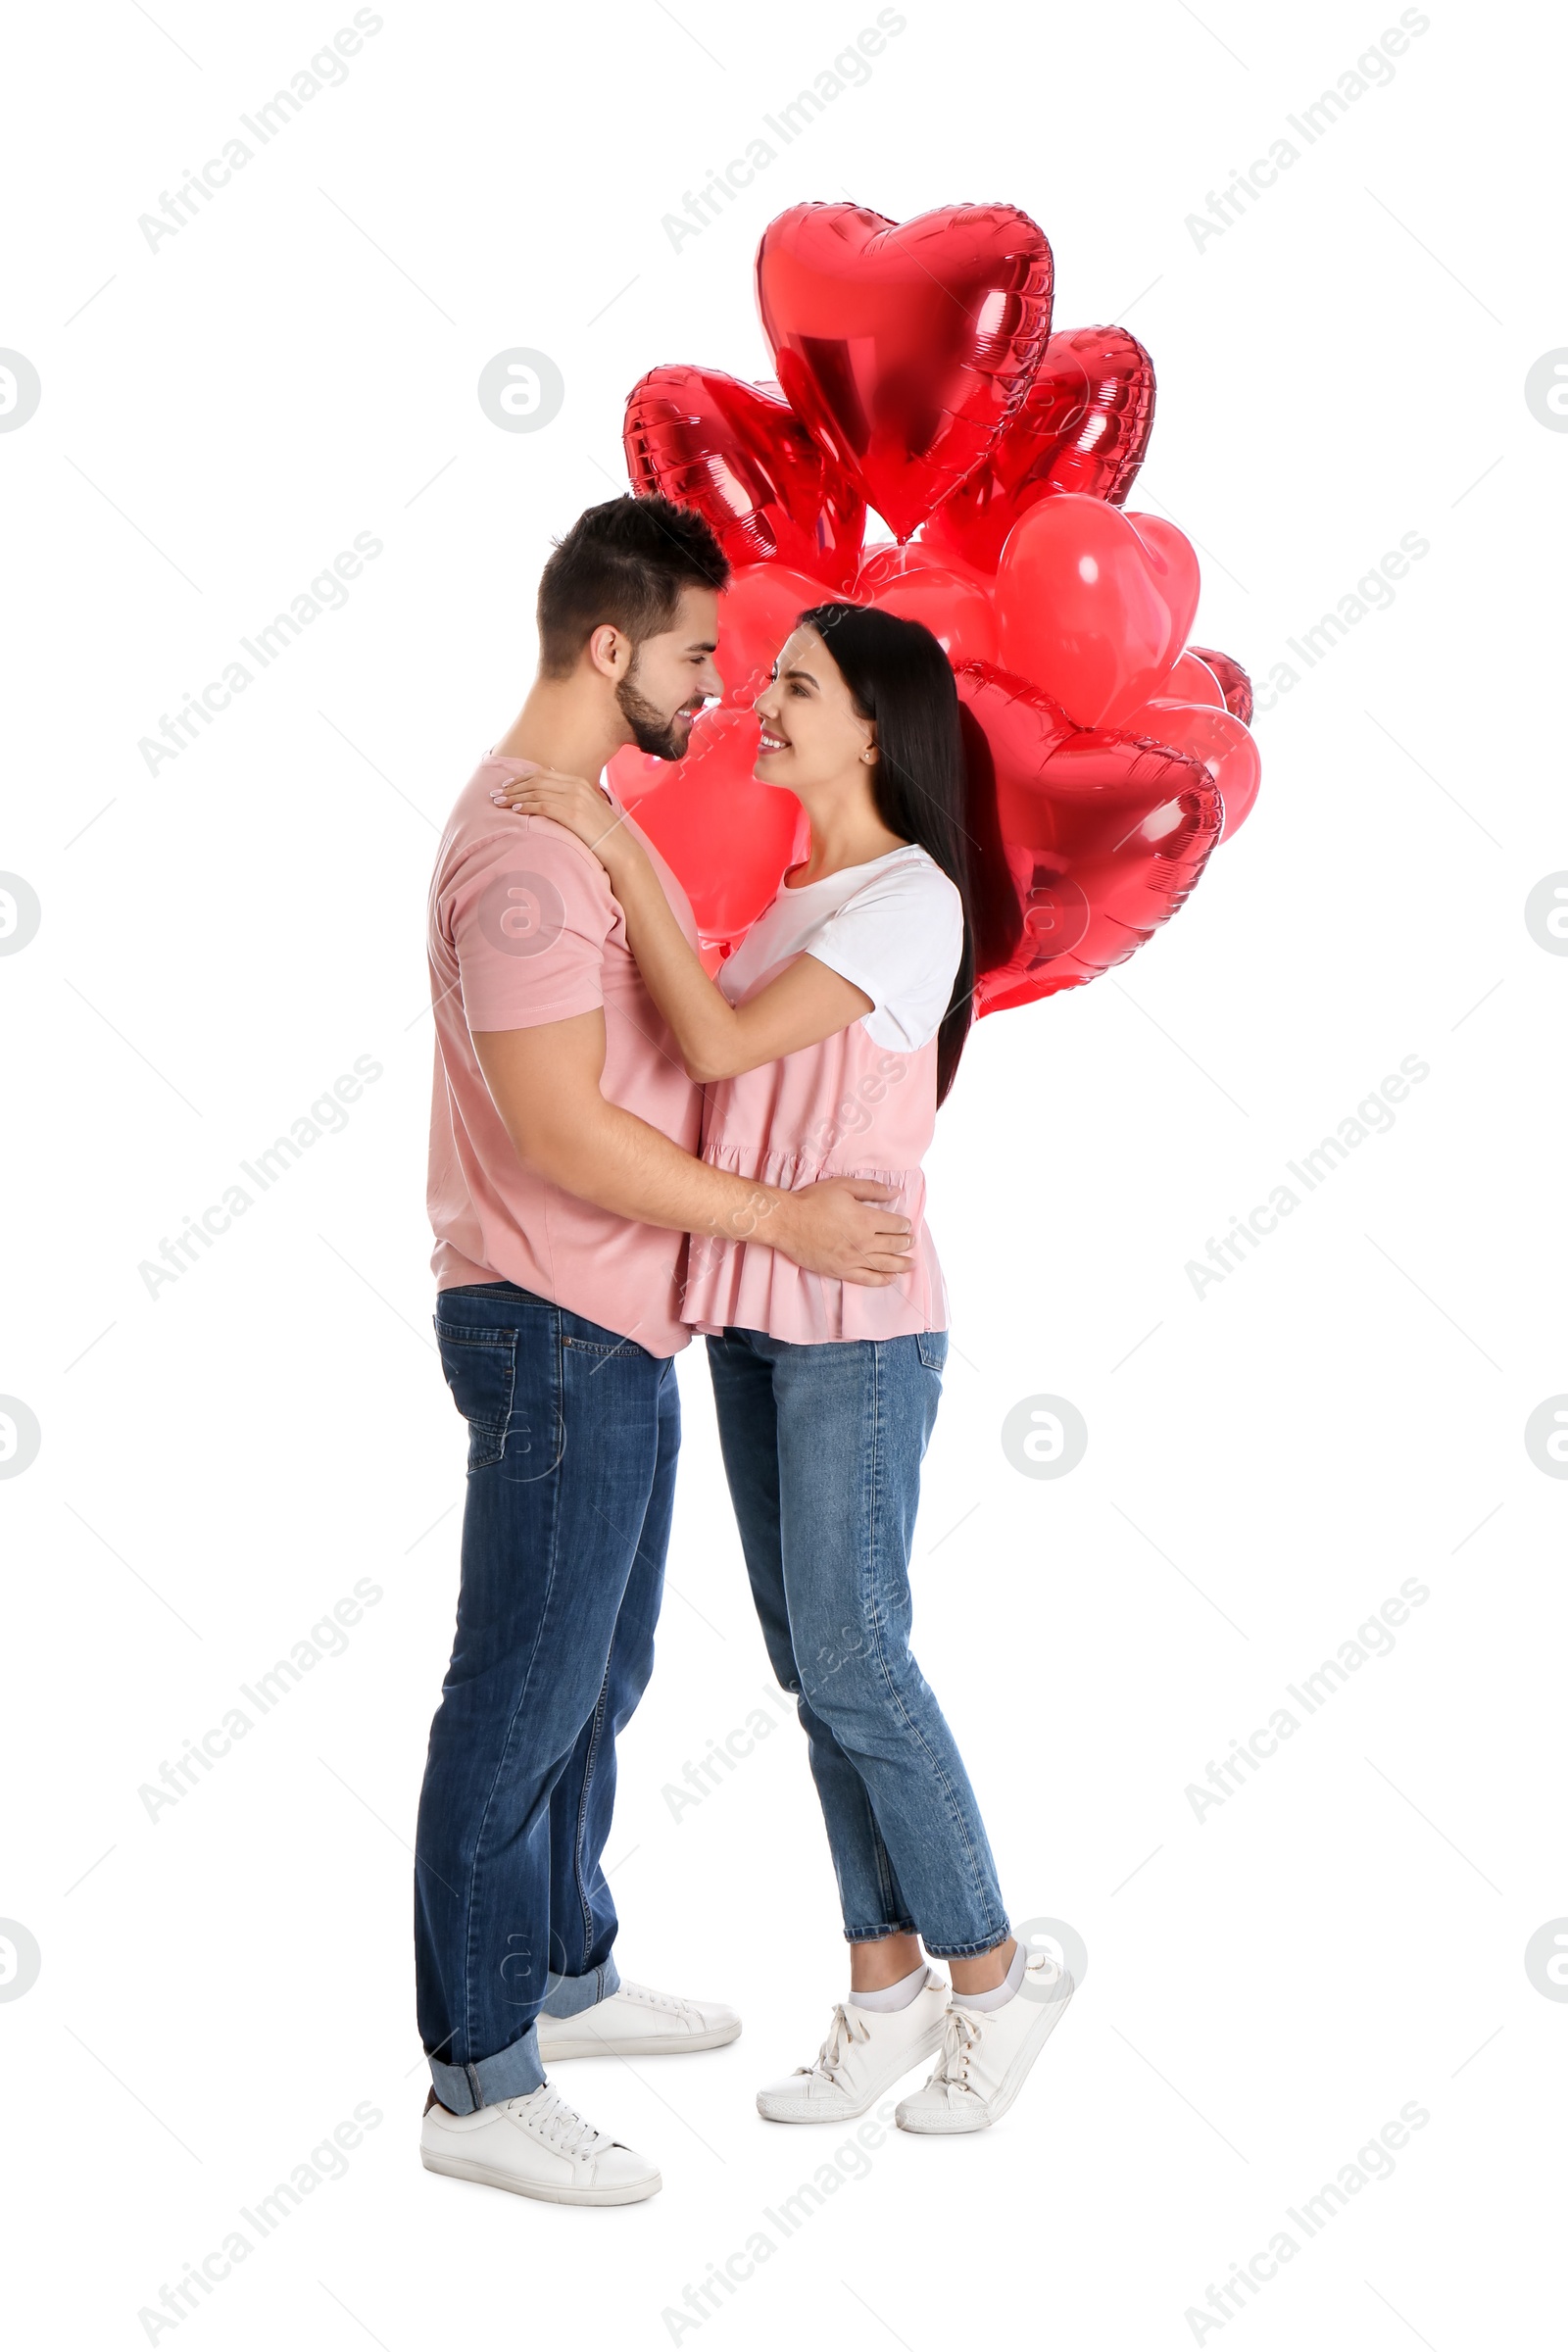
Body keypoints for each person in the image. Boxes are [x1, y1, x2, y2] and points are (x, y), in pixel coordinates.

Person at [490, 600, 1073, 2138]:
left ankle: (999, 1977)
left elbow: (725, 1049)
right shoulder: (811, 892)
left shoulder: (907, 900)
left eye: (795, 686)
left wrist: (613, 845)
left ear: (873, 728)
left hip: (860, 1333)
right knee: (817, 1672)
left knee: (862, 1659)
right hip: (758, 1310)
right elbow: (695, 1053)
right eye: (765, 679)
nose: (761, 700)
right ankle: (883, 1990)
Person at [416, 500, 915, 2209]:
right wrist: (781, 1227)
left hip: (609, 1320)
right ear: (613, 649)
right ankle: (481, 2077)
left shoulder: (581, 828)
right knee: (522, 1695)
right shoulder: (532, 861)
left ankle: (565, 1967)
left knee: (598, 1679)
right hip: (554, 1317)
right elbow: (562, 1132)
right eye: (704, 655)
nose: (720, 691)